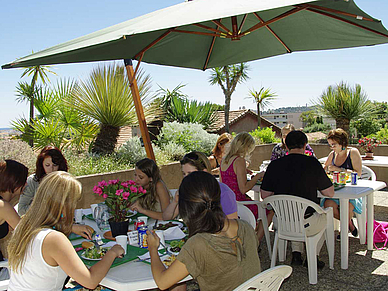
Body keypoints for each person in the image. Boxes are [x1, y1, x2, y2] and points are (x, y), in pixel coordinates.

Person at [7, 171, 124, 291]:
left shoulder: (24, 226)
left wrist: (69, 227)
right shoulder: (54, 239)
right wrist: (112, 252)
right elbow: (90, 281)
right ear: (64, 204)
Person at [147, 171, 261, 291]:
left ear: (186, 208)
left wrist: (153, 249)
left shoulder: (198, 244)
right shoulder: (245, 226)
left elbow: (162, 282)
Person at [261, 130, 334, 267]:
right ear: (305, 145)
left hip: (281, 222)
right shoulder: (313, 164)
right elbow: (330, 193)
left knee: (293, 214)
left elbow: (264, 196)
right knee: (324, 215)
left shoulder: (274, 165)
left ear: (286, 146)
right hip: (307, 223)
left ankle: (296, 253)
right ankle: (313, 256)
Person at [162, 151, 238, 220]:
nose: (186, 178)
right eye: (184, 174)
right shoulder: (189, 190)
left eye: (190, 173)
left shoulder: (223, 192)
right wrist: (175, 202)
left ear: (204, 172)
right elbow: (166, 217)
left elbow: (234, 227)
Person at [322, 128, 362, 238]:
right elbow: (324, 169)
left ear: (342, 142)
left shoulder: (353, 152)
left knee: (347, 206)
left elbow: (358, 173)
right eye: (330, 145)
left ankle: (343, 230)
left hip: (351, 191)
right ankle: (349, 224)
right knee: (327, 204)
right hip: (336, 191)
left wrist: (340, 170)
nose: (332, 147)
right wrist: (326, 169)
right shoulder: (332, 154)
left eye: (334, 144)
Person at [220, 132, 264, 219]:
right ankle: (260, 233)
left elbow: (224, 181)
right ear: (246, 147)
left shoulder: (224, 160)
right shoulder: (239, 161)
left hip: (226, 203)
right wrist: (258, 176)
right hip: (239, 204)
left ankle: (254, 230)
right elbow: (243, 189)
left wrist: (244, 171)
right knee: (267, 210)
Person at [18, 146, 68, 215]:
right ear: (41, 165)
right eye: (47, 165)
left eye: (55, 165)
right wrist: (41, 205)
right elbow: (21, 210)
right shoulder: (33, 181)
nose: (51, 169)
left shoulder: (65, 180)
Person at [0, 160, 28, 262]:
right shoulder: (4, 207)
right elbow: (26, 233)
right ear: (15, 182)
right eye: (23, 181)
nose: (25, 185)